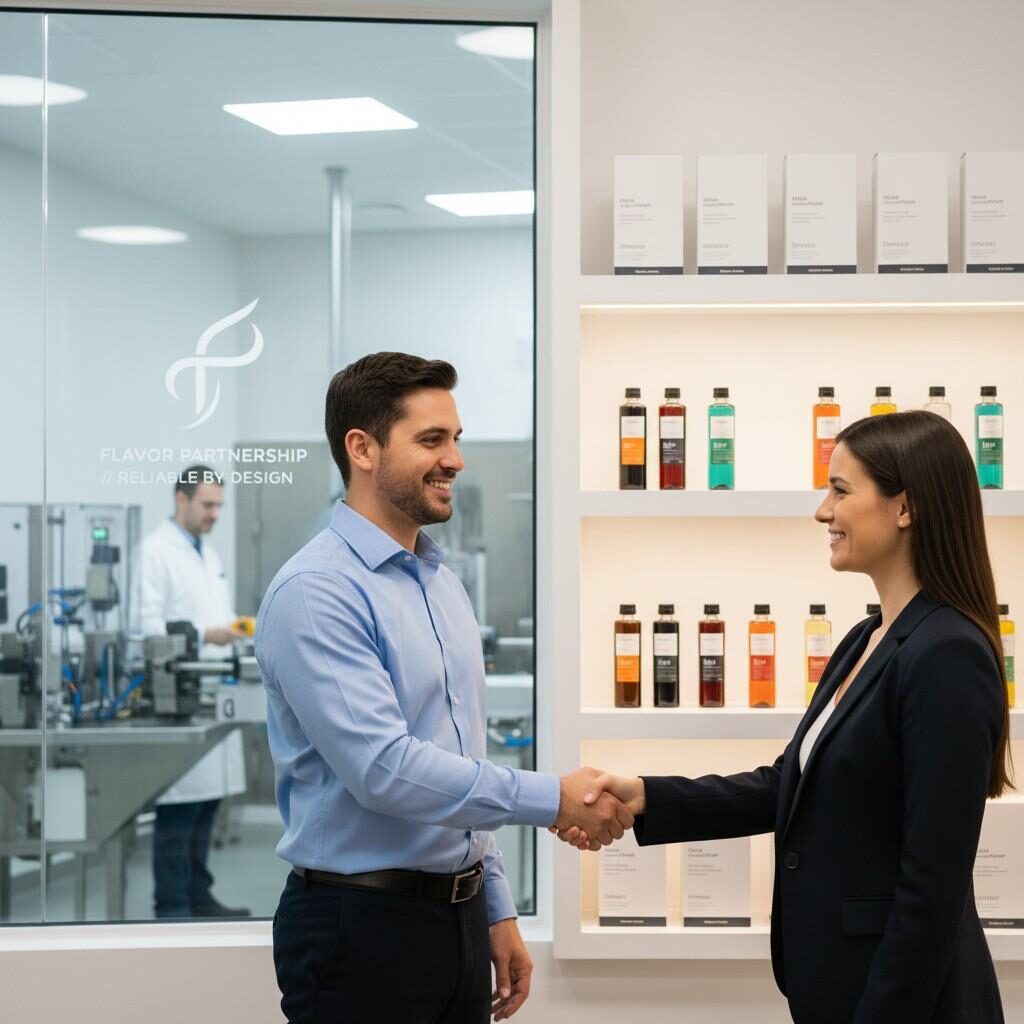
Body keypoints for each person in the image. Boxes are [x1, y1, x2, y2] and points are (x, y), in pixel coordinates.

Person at [558, 411, 1011, 1024]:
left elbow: (933, 885)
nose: (823, 511)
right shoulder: (865, 638)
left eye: (841, 490)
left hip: (903, 1001)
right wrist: (643, 797)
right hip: (839, 985)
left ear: (904, 508)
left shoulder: (947, 653)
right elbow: (788, 786)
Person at [255, 352, 630, 1024]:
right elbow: (386, 770)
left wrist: (494, 904)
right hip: (360, 929)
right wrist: (555, 799)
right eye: (432, 440)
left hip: (451, 921)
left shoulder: (438, 580)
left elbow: (456, 759)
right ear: (362, 449)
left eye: (455, 439)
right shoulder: (317, 592)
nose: (455, 460)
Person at [139, 465, 250, 918]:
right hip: (179, 697)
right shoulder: (154, 553)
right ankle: (173, 905)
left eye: (219, 505)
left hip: (213, 693)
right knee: (180, 809)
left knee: (207, 803)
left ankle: (200, 895)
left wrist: (230, 630)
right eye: (207, 505)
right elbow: (144, 626)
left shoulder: (207, 553)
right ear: (180, 499)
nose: (215, 514)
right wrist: (208, 635)